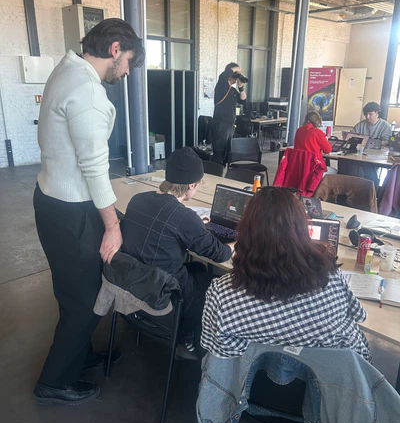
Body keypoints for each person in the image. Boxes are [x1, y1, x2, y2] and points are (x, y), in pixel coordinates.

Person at [33, 18, 145, 405]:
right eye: (129, 62)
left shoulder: (66, 69)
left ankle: (79, 356)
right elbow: (94, 168)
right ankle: (54, 382)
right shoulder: (89, 92)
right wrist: (112, 226)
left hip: (51, 199)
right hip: (72, 209)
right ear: (115, 49)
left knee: (71, 293)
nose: (127, 72)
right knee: (84, 300)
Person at [201, 187, 371, 362]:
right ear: (303, 228)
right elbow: (360, 316)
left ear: (245, 230)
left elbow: (217, 354)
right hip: (337, 375)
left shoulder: (222, 294)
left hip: (258, 376)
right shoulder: (330, 275)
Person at [121, 147, 233, 359]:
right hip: (166, 291)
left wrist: (194, 225)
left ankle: (183, 326)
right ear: (192, 185)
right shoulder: (183, 216)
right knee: (214, 286)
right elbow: (220, 254)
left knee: (198, 267)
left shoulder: (137, 199)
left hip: (137, 281)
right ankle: (186, 337)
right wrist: (235, 244)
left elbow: (166, 223)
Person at [211, 62, 247, 165]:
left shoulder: (232, 90)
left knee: (226, 154)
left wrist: (241, 86)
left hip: (230, 125)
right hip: (220, 124)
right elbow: (223, 75)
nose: (236, 77)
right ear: (230, 73)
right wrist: (237, 69)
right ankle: (215, 172)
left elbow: (243, 100)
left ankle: (223, 171)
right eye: (235, 74)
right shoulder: (222, 85)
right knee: (219, 153)